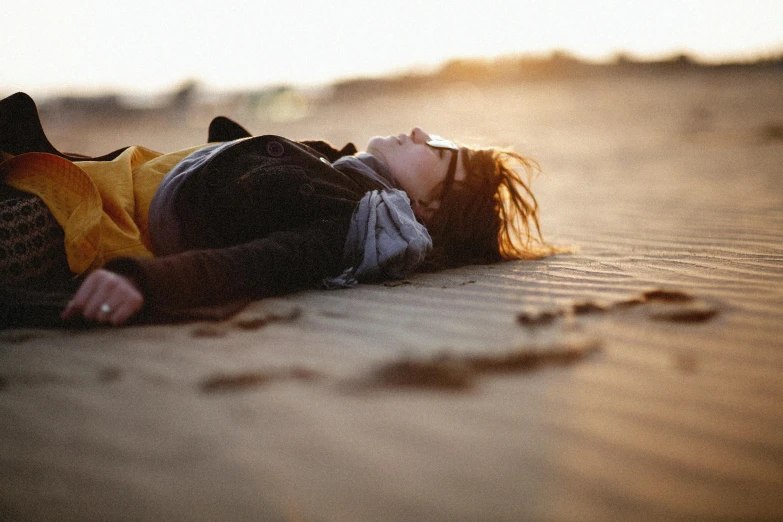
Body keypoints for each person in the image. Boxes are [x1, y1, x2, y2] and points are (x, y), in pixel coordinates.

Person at [0, 92, 553, 327]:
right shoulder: (340, 171)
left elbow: (260, 263)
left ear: (431, 208)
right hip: (85, 175)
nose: (421, 132)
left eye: (443, 150)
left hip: (75, 219)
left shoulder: (347, 219)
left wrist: (143, 280)